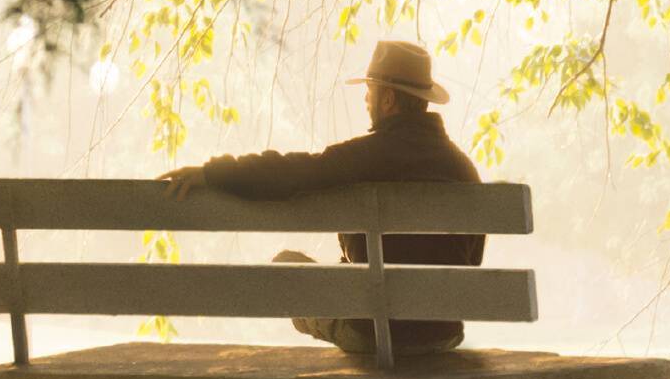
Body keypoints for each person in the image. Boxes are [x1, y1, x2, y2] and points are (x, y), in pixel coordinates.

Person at [156, 40, 485, 357]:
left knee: (285, 266)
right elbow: (472, 261)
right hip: (443, 335)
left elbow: (291, 173)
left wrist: (215, 173)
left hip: (371, 334)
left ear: (387, 100)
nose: (365, 99)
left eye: (370, 91)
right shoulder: (464, 170)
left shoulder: (365, 157)